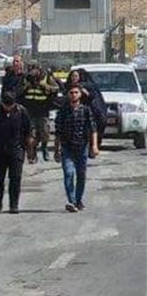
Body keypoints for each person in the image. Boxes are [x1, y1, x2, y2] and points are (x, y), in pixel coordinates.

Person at [0, 91, 32, 213]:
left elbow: (28, 131)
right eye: (6, 104)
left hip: (16, 149)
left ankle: (14, 204)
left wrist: (30, 150)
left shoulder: (21, 111)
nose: (8, 107)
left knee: (15, 178)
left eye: (10, 104)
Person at [53, 82, 99, 212]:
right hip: (67, 147)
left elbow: (93, 129)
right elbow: (58, 132)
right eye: (71, 93)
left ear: (80, 94)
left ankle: (78, 200)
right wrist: (56, 150)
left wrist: (94, 146)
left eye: (76, 92)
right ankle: (72, 201)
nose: (73, 95)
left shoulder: (86, 110)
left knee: (81, 175)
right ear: (68, 95)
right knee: (68, 173)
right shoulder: (63, 111)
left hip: (82, 146)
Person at [20, 68, 55, 163]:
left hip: (43, 112)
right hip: (30, 112)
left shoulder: (47, 78)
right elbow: (19, 91)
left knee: (45, 132)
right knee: (32, 134)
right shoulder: (27, 79)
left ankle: (44, 146)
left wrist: (45, 86)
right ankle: (33, 154)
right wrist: (26, 86)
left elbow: (56, 88)